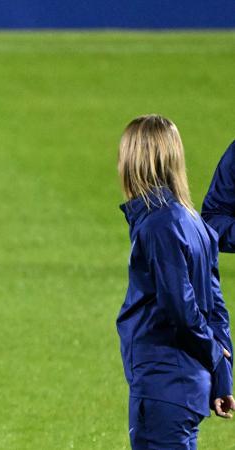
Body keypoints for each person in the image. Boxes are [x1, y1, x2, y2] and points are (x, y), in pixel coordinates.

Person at [117, 115, 234, 449]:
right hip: (184, 386)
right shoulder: (193, 221)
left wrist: (213, 356)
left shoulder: (159, 226)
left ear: (134, 161)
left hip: (163, 384)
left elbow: (181, 309)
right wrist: (222, 378)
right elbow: (216, 308)